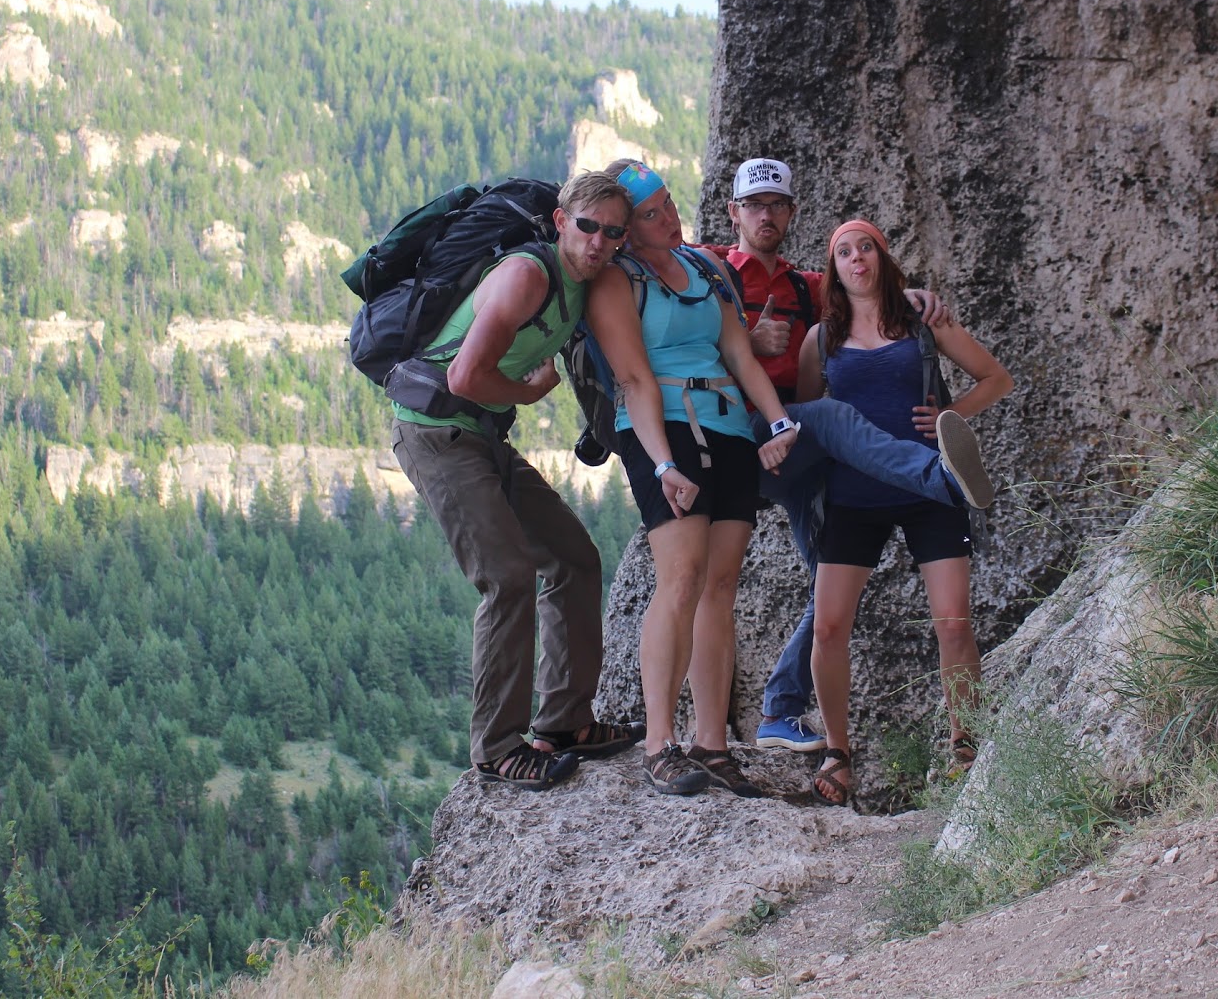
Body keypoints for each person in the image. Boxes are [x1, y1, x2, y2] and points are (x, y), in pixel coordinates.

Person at [699, 158, 995, 752]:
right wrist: (742, 345)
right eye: (753, 205)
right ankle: (940, 478)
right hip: (755, 439)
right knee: (830, 416)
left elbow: (858, 282)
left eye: (777, 205)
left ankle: (781, 709)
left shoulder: (805, 286)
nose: (765, 214)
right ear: (732, 212)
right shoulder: (709, 275)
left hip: (806, 449)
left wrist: (911, 297)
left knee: (827, 595)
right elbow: (678, 345)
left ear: (790, 214)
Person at [389, 169, 646, 791]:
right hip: (436, 431)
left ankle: (564, 722)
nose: (598, 242)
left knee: (573, 558)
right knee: (506, 578)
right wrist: (527, 393)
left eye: (613, 234)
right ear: (561, 222)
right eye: (587, 227)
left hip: (480, 437)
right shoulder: (529, 275)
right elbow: (466, 376)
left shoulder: (589, 282)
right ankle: (498, 747)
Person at [584, 161, 801, 797]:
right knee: (679, 580)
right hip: (664, 429)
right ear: (626, 228)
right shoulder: (616, 282)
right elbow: (634, 379)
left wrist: (778, 420)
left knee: (721, 586)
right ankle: (659, 744)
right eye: (651, 214)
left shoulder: (706, 269)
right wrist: (662, 463)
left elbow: (737, 351)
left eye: (669, 205)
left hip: (730, 428)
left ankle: (712, 742)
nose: (669, 219)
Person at [797, 219, 1014, 807]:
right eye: (843, 251)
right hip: (851, 494)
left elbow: (997, 376)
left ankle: (965, 743)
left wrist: (952, 414)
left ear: (883, 257)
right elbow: (808, 417)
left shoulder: (923, 320)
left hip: (929, 488)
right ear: (833, 269)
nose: (856, 257)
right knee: (828, 627)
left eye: (865, 246)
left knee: (953, 623)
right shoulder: (820, 339)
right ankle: (838, 751)